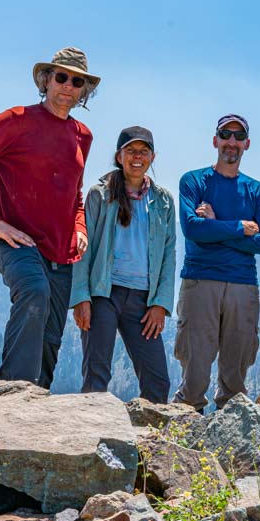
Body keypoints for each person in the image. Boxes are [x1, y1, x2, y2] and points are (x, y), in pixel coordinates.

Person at [0, 47, 99, 388]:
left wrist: (79, 227)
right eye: (61, 77)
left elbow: (75, 193)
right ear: (46, 80)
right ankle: (11, 394)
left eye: (77, 81)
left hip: (61, 253)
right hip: (16, 243)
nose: (68, 85)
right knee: (34, 293)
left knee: (51, 336)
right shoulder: (16, 120)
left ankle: (35, 403)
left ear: (84, 90)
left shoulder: (82, 136)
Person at [171, 114, 260, 411]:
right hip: (200, 280)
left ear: (247, 144)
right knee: (195, 366)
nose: (231, 141)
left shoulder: (257, 190)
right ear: (215, 140)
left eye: (238, 136)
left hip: (243, 284)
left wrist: (215, 226)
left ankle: (232, 427)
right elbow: (192, 229)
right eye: (225, 134)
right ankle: (186, 420)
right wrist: (240, 227)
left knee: (236, 369)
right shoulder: (193, 181)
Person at [70, 126, 176, 403]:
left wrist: (161, 304)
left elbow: (169, 254)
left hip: (144, 301)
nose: (137, 157)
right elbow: (82, 248)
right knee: (96, 376)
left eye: (144, 151)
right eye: (131, 151)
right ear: (119, 156)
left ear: (152, 157)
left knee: (157, 381)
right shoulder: (100, 194)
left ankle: (150, 430)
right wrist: (81, 297)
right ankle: (91, 430)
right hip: (103, 294)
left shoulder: (163, 201)